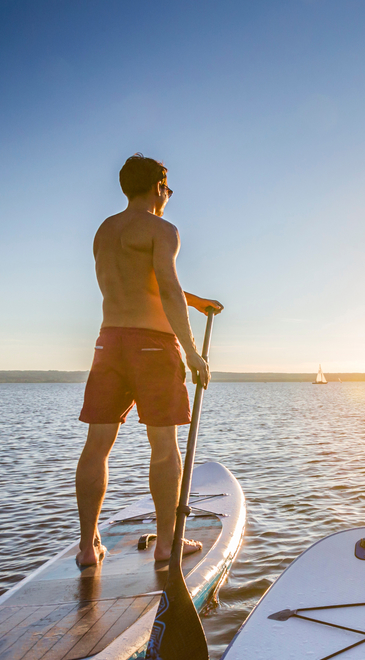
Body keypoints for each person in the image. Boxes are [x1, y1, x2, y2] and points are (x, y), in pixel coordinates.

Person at [75, 153, 223, 567]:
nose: (168, 196)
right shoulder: (163, 229)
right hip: (153, 347)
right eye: (168, 189)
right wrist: (192, 351)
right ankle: (167, 543)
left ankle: (87, 548)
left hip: (109, 343)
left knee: (96, 446)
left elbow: (138, 282)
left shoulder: (105, 231)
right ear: (159, 187)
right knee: (163, 447)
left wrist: (196, 301)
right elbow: (167, 287)